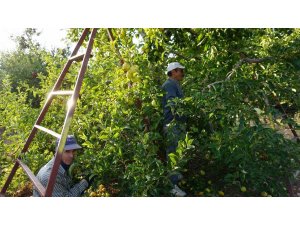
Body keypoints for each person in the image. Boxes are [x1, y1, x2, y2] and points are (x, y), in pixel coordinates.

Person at [162, 62, 187, 197]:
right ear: (173, 71)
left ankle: (175, 179)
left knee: (177, 152)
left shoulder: (174, 84)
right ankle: (172, 186)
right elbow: (172, 102)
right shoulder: (169, 85)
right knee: (172, 154)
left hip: (177, 124)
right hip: (172, 124)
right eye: (180, 71)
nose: (182, 73)